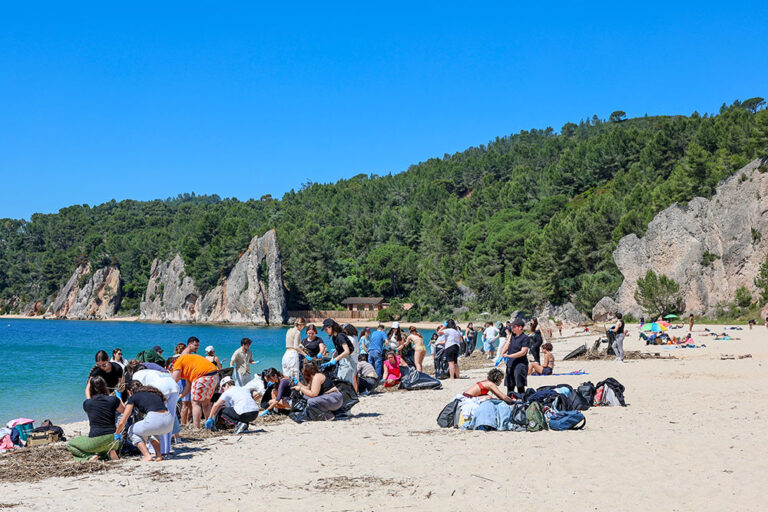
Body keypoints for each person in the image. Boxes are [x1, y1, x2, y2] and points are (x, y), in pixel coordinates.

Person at [67, 376, 123, 461]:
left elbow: (88, 400)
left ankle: (89, 458)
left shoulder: (87, 403)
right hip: (113, 440)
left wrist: (89, 384)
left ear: (91, 389)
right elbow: (124, 410)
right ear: (105, 386)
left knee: (71, 444)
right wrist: (119, 398)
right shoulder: (113, 400)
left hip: (96, 440)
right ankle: (110, 451)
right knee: (101, 447)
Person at [115, 381, 173, 462]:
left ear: (130, 391)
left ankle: (147, 456)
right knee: (152, 430)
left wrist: (117, 433)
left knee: (131, 430)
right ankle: (159, 455)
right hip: (169, 421)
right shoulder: (154, 393)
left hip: (155, 420)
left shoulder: (133, 397)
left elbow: (123, 420)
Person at [129, 365, 179, 457]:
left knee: (156, 417)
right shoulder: (153, 372)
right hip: (174, 386)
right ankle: (165, 449)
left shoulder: (136, 374)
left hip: (161, 387)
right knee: (168, 416)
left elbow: (138, 389)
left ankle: (153, 449)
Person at [170, 353, 220, 428]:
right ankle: (210, 425)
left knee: (196, 403)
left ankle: (196, 427)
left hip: (202, 377)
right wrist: (180, 397)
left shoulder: (177, 362)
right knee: (206, 403)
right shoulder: (188, 363)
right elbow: (188, 386)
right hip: (214, 376)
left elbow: (173, 381)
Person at [499, 319, 530, 394]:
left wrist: (509, 356)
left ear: (520, 327)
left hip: (520, 363)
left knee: (520, 385)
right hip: (510, 363)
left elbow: (523, 352)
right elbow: (507, 344)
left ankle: (522, 399)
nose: (512, 328)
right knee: (510, 385)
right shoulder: (512, 335)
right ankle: (510, 400)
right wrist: (502, 353)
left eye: (514, 327)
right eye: (511, 327)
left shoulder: (525, 338)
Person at [321, 319, 356, 383]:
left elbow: (347, 351)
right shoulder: (334, 337)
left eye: (326, 329)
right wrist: (331, 360)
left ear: (331, 327)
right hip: (342, 361)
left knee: (343, 383)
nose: (326, 331)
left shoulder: (340, 336)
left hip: (347, 362)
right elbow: (337, 350)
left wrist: (335, 359)